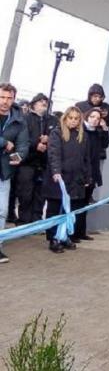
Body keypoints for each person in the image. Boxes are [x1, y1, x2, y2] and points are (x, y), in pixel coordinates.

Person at [44, 107, 90, 254]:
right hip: (59, 179)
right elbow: (53, 154)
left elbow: (86, 159)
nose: (73, 121)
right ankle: (53, 238)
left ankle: (64, 236)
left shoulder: (83, 136)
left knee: (70, 210)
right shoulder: (56, 133)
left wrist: (87, 176)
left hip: (75, 179)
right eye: (71, 118)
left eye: (76, 118)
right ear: (65, 118)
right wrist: (56, 172)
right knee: (55, 209)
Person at [17, 93, 58, 225]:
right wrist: (36, 145)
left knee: (40, 194)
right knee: (25, 193)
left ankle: (36, 220)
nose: (44, 103)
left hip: (44, 163)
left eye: (45, 101)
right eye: (40, 101)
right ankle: (24, 220)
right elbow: (21, 139)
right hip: (27, 161)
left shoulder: (52, 120)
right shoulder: (25, 119)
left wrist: (49, 139)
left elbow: (57, 136)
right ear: (33, 104)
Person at [0, 83, 30, 263]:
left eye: (9, 98)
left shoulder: (19, 119)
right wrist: (4, 143)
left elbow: (23, 144)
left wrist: (19, 156)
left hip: (4, 171)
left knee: (2, 211)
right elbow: (8, 143)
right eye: (2, 97)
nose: (5, 101)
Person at [76, 107, 109, 242]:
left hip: (92, 172)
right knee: (76, 204)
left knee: (85, 204)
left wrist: (105, 129)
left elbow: (105, 144)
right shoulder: (80, 131)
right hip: (80, 172)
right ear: (86, 117)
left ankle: (81, 231)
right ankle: (72, 232)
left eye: (98, 118)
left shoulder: (97, 133)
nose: (95, 120)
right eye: (92, 117)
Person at [75, 83, 109, 162]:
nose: (97, 99)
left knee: (95, 170)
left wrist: (106, 116)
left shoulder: (107, 107)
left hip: (98, 142)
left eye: (100, 97)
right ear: (90, 96)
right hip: (81, 140)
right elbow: (74, 119)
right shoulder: (80, 105)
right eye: (95, 96)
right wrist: (90, 114)